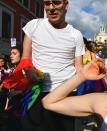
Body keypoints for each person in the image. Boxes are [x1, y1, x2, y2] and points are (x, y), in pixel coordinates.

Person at [20, 0, 85, 131]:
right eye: (47, 3)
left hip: (65, 96)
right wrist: (29, 70)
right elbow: (25, 58)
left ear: (66, 5)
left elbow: (79, 68)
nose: (51, 8)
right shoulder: (34, 25)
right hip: (37, 94)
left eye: (56, 3)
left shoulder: (76, 35)